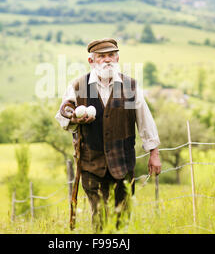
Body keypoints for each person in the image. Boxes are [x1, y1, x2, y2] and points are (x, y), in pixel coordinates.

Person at [55, 38, 161, 231]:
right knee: (101, 217)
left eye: (111, 55)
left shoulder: (130, 87)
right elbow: (63, 115)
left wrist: (154, 153)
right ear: (91, 61)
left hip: (123, 162)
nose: (107, 60)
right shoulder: (78, 86)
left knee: (122, 219)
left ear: (117, 57)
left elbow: (145, 121)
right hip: (91, 164)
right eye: (101, 56)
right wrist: (74, 118)